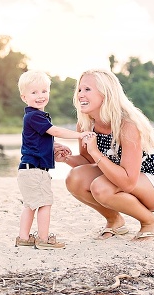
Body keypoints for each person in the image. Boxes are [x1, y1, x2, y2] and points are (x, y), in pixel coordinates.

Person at [61, 69, 154, 242]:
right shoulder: (85, 124)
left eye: (87, 89)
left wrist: (95, 151)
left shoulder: (127, 125)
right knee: (74, 178)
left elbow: (128, 182)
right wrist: (65, 157)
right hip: (127, 178)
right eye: (79, 89)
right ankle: (114, 221)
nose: (80, 94)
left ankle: (151, 222)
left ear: (105, 93)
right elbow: (88, 162)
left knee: (101, 187)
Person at [14, 70, 91, 250]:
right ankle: (43, 239)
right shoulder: (35, 116)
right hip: (35, 170)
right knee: (44, 204)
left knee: (30, 205)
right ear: (24, 97)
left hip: (27, 169)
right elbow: (54, 130)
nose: (40, 96)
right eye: (34, 92)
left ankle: (23, 238)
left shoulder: (33, 117)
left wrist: (54, 145)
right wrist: (80, 135)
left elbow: (39, 140)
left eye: (44, 91)